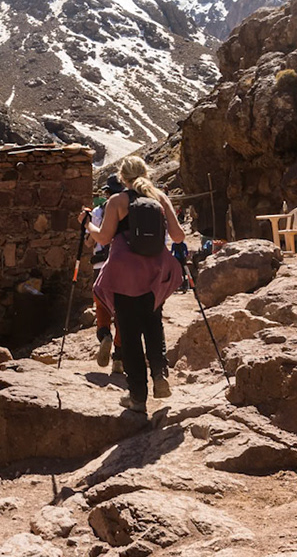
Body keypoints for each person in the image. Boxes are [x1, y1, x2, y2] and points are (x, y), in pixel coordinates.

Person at [90, 155, 185, 413]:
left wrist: (87, 225)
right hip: (155, 274)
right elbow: (178, 236)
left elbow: (105, 237)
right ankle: (159, 374)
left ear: (122, 178)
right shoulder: (160, 199)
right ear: (146, 173)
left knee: (129, 334)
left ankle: (137, 397)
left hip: (124, 275)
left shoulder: (117, 201)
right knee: (153, 324)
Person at [91, 176, 122, 373]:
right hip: (121, 265)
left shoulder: (98, 211)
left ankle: (104, 335)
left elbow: (91, 240)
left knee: (101, 305)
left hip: (99, 265)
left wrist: (87, 225)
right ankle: (119, 357)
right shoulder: (127, 209)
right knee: (122, 311)